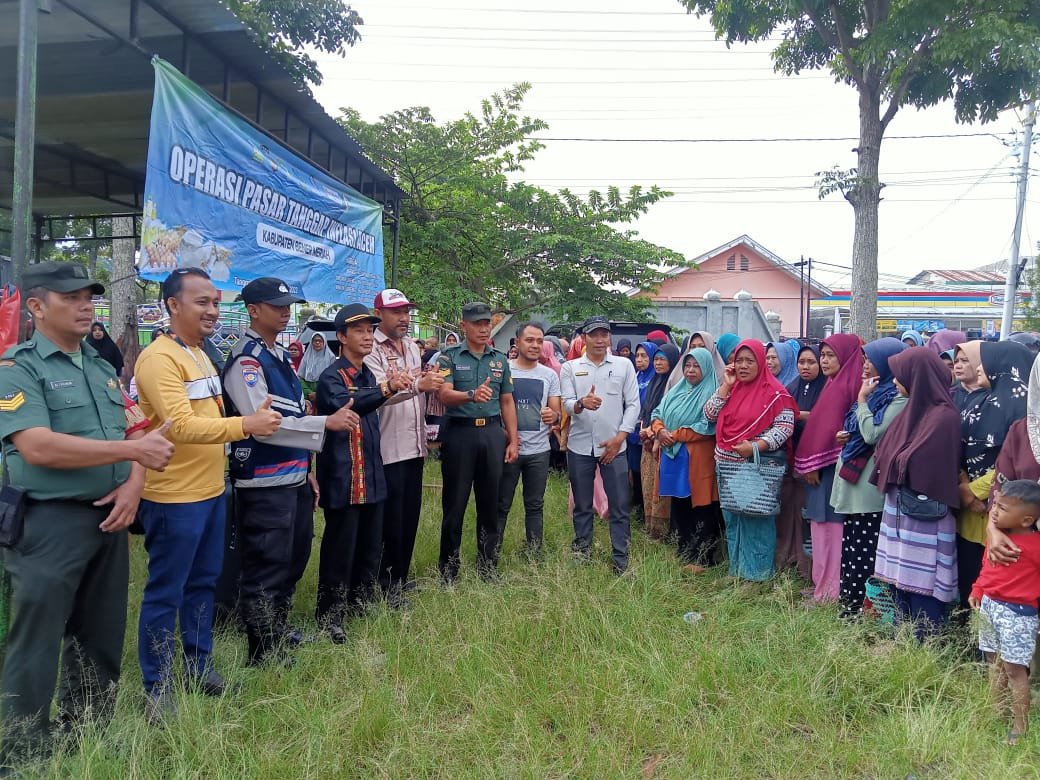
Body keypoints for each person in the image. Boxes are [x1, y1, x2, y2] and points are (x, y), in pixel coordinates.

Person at [0, 262, 174, 766]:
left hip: (109, 519)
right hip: (47, 523)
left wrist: (133, 488)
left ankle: (87, 734)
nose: (85, 305)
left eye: (89, 296)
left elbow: (137, 433)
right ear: (36, 306)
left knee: (100, 634)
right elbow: (37, 447)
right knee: (37, 640)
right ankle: (23, 751)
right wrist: (130, 458)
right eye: (71, 297)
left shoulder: (99, 367)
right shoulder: (19, 368)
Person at [134, 267, 282, 721]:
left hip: (212, 491)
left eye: (216, 303)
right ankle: (157, 687)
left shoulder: (199, 353)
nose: (213, 311)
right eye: (202, 302)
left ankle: (200, 668)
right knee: (166, 592)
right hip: (174, 496)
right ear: (173, 305)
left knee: (203, 585)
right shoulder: (160, 359)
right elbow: (179, 426)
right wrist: (245, 426)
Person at [222, 277, 360, 666]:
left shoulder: (280, 356)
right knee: (266, 564)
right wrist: (325, 424)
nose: (286, 311)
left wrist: (308, 468)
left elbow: (294, 413)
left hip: (294, 476)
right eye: (277, 305)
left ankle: (278, 630)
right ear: (253, 309)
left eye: (288, 305)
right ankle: (262, 649)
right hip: (263, 481)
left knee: (293, 559)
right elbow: (264, 423)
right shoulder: (247, 360)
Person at [314, 304, 408, 642]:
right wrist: (387, 388)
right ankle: (330, 616)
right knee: (340, 548)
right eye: (359, 331)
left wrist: (385, 388)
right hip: (343, 476)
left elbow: (370, 396)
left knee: (370, 547)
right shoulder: (331, 377)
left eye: (370, 330)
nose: (367, 336)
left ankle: (360, 603)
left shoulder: (368, 374)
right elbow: (351, 401)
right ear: (341, 337)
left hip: (371, 472)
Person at [872, 346, 961, 639]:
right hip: (900, 512)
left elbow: (914, 461)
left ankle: (926, 648)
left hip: (923, 516)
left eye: (901, 375)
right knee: (899, 580)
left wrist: (892, 458)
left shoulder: (943, 416)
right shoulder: (912, 410)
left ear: (917, 376)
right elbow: (887, 454)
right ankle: (902, 642)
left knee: (922, 585)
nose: (896, 381)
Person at [364, 288, 444, 601]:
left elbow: (418, 384)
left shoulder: (412, 346)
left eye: (406, 311)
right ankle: (383, 584)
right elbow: (378, 394)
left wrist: (430, 383)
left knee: (410, 514)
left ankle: (401, 576)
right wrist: (418, 387)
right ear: (379, 314)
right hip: (389, 445)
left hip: (414, 443)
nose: (404, 318)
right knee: (390, 519)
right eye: (396, 312)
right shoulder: (371, 349)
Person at [436, 303, 519, 582]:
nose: (484, 328)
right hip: (461, 434)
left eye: (487, 323)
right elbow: (444, 395)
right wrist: (471, 394)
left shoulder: (499, 359)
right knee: (455, 503)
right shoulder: (448, 357)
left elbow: (507, 401)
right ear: (464, 326)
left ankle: (487, 565)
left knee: (490, 503)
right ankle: (449, 569)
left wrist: (513, 440)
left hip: (492, 434)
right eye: (477, 324)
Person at [705, 339, 796, 581]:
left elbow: (785, 427)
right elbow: (709, 414)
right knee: (733, 520)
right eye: (739, 361)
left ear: (761, 363)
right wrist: (725, 385)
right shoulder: (732, 388)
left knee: (756, 520)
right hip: (726, 465)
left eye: (750, 361)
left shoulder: (775, 392)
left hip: (755, 466)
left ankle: (757, 578)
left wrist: (755, 446)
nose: (743, 366)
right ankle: (736, 572)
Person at [954, 340, 1033, 616]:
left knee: (1001, 585)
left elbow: (1015, 465)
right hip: (978, 509)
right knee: (972, 577)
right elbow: (965, 445)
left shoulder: (1024, 409)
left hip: (1006, 510)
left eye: (985, 361)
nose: (979, 367)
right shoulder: (985, 400)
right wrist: (963, 481)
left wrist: (974, 491)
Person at [830, 338, 908, 618]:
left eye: (870, 360)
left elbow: (874, 433)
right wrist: (848, 433)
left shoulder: (897, 398)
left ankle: (866, 610)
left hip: (869, 487)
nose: (865, 365)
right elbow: (861, 428)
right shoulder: (877, 392)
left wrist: (861, 400)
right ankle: (848, 605)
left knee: (865, 551)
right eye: (864, 359)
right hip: (856, 477)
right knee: (851, 547)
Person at [560, 316, 641, 574]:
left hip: (614, 447)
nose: (599, 340)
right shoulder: (570, 368)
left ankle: (621, 559)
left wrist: (619, 439)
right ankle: (582, 554)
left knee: (619, 506)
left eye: (604, 335)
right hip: (580, 447)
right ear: (584, 338)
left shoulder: (623, 365)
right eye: (593, 334)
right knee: (582, 505)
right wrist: (582, 403)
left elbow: (634, 405)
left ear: (609, 338)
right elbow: (566, 403)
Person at [969, 480, 1040, 745]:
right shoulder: (997, 537)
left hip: (1018, 615)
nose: (995, 512)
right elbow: (987, 566)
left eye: (1003, 508)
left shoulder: (1035, 547)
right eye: (995, 505)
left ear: (1026, 520)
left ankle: (1021, 725)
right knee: (994, 664)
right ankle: (994, 712)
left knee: (1014, 670)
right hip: (990, 606)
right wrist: (978, 590)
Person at [795, 334, 863, 603]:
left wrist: (815, 461)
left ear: (845, 356)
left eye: (829, 355)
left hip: (832, 469)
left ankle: (830, 592)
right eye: (822, 355)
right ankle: (820, 584)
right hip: (823, 469)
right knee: (820, 526)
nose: (824, 361)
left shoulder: (848, 385)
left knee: (832, 531)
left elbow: (832, 431)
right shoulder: (834, 383)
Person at [650, 348, 721, 572]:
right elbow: (657, 413)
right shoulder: (677, 389)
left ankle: (703, 557)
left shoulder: (713, 392)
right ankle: (684, 550)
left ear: (707, 368)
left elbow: (707, 427)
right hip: (673, 456)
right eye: (687, 366)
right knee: (679, 504)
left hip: (697, 458)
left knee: (700, 505)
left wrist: (675, 435)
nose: (690, 371)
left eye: (696, 366)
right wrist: (660, 430)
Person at [497, 322, 562, 557]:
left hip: (539, 451)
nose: (535, 345)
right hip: (508, 450)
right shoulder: (504, 369)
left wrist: (552, 415)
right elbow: (494, 407)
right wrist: (505, 435)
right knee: (501, 504)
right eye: (529, 340)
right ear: (517, 342)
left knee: (535, 505)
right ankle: (491, 554)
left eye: (539, 340)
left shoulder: (549, 375)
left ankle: (534, 553)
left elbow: (556, 412)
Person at [777, 344, 825, 578]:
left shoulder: (827, 387)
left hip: (815, 466)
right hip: (790, 460)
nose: (805, 367)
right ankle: (787, 559)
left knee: (809, 517)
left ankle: (810, 569)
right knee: (788, 513)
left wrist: (804, 416)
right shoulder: (792, 386)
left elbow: (828, 421)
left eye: (811, 362)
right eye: (802, 362)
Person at [638, 344, 681, 539]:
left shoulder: (673, 384)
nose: (658, 362)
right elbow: (647, 410)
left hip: (662, 443)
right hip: (647, 441)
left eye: (662, 359)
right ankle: (650, 527)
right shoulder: (654, 381)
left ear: (672, 361)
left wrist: (654, 434)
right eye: (656, 358)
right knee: (648, 486)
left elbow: (668, 415)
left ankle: (663, 532)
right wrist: (644, 431)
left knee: (661, 489)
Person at [627, 341, 658, 523]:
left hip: (645, 433)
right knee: (634, 471)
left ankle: (645, 510)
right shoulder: (636, 376)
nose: (639, 360)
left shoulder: (655, 378)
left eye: (644, 356)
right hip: (631, 432)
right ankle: (636, 505)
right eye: (637, 356)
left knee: (645, 472)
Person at [298, 332, 335, 398]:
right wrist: (309, 392)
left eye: (320, 341)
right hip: (307, 392)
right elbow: (301, 376)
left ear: (324, 342)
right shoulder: (306, 357)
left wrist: (318, 394)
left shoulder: (331, 357)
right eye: (315, 340)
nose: (317, 343)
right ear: (311, 342)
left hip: (325, 391)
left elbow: (332, 378)